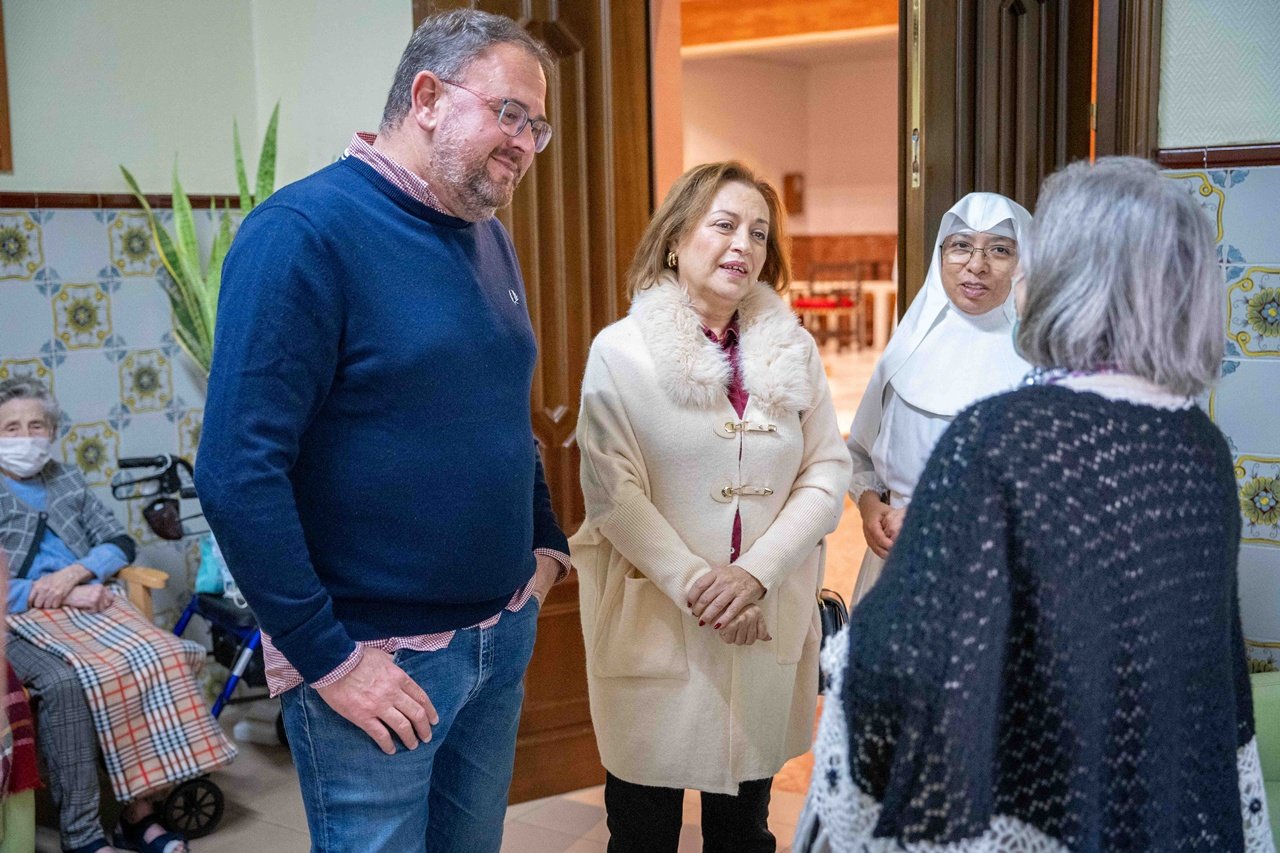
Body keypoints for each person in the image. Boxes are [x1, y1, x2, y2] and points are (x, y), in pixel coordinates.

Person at [796, 157, 1272, 851]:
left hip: (1027, 781)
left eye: (1022, 256)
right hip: (1147, 793)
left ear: (1067, 280)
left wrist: (841, 654)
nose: (1004, 273)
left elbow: (896, 664)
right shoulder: (1199, 446)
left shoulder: (998, 437)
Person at [195, 10, 569, 853]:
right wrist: (331, 659)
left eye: (537, 126)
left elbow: (504, 409)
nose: (527, 144)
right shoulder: (302, 235)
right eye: (510, 113)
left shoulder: (488, 238)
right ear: (428, 96)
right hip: (378, 659)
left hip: (497, 632)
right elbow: (234, 471)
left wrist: (543, 552)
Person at [571, 161, 852, 852]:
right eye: (723, 224)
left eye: (758, 233)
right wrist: (702, 584)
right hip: (656, 614)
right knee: (642, 828)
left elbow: (827, 467)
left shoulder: (794, 350)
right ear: (675, 239)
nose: (743, 245)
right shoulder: (621, 352)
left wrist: (754, 572)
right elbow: (614, 492)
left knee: (744, 828)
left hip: (762, 615)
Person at [0, 378, 234, 853]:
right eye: (11, 427)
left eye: (36, 425)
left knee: (161, 653)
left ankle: (139, 811)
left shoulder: (65, 479)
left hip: (90, 600)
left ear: (52, 430)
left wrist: (78, 573)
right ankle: (83, 835)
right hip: (18, 616)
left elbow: (118, 542)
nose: (26, 437)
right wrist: (62, 594)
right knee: (69, 683)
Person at [846, 192, 1031, 602]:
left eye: (1000, 250)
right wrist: (870, 507)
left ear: (1025, 262)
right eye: (961, 246)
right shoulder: (906, 350)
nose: (976, 265)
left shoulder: (1042, 367)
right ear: (940, 254)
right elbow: (860, 453)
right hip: (897, 562)